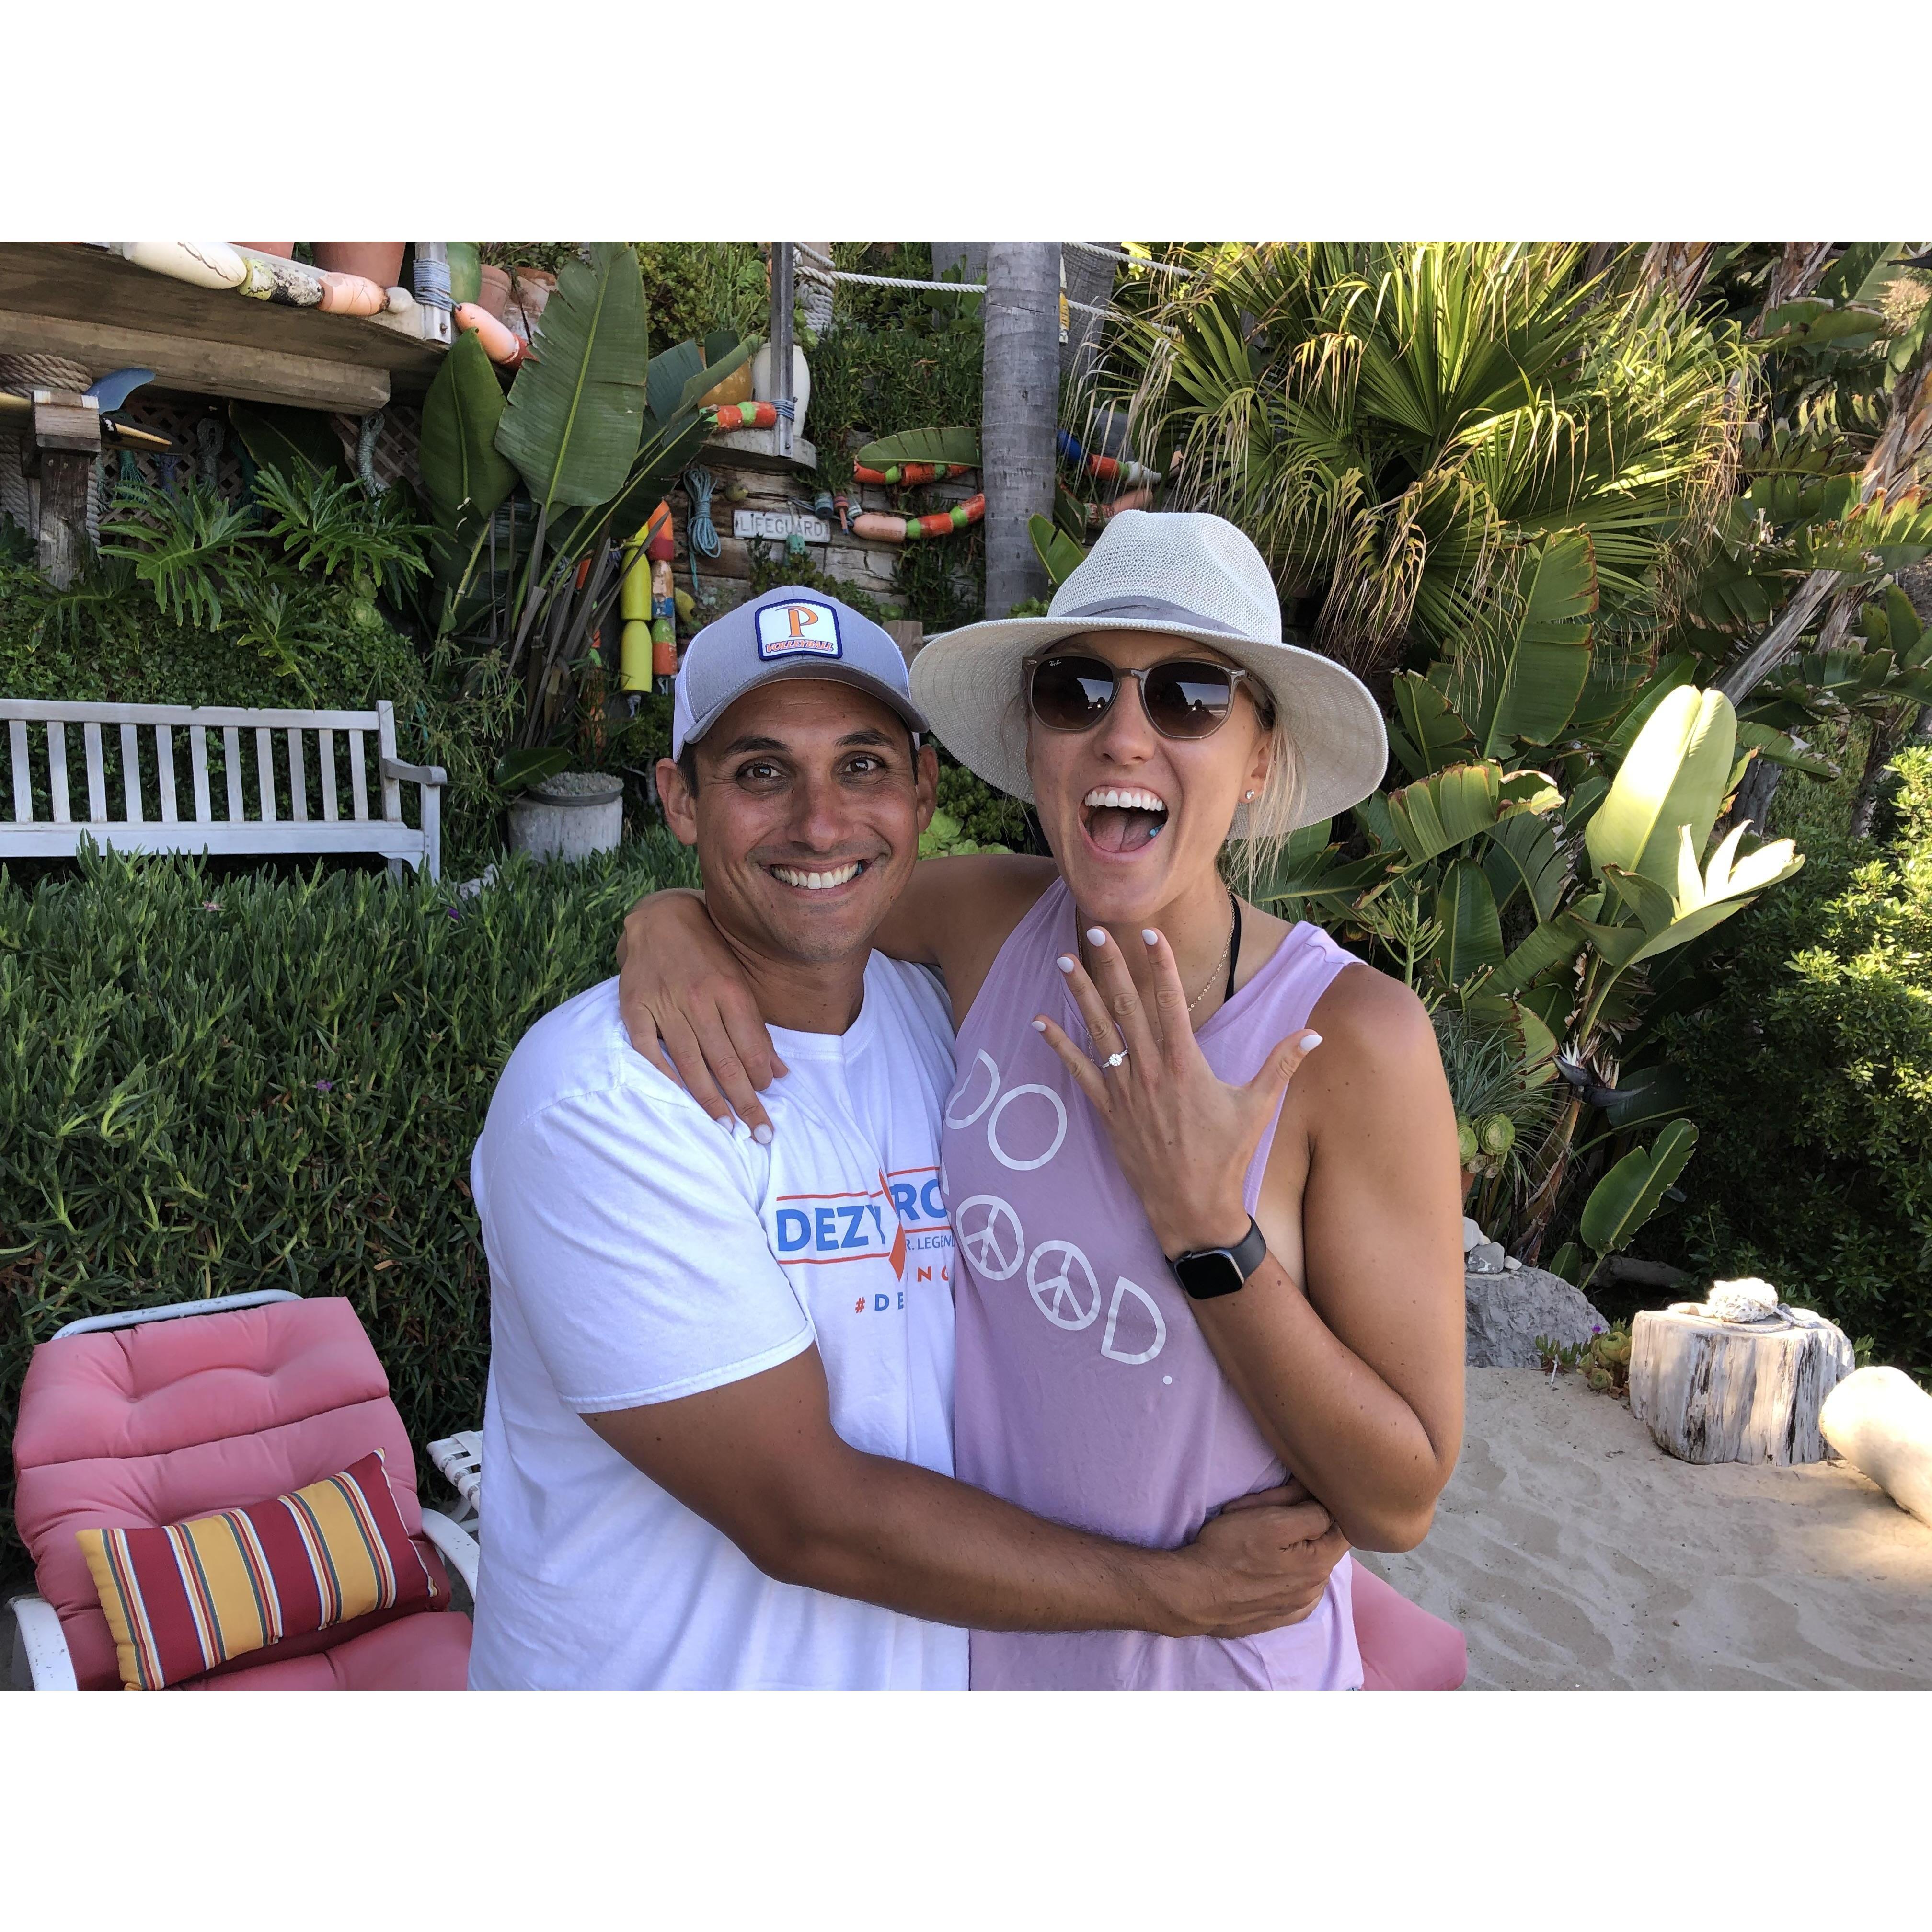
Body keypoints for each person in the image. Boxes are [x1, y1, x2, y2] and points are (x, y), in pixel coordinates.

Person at [617, 511, 1469, 1690]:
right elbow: (796, 895)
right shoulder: (989, 924)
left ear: (1261, 757)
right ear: (1034, 742)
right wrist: (661, 922)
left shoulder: (1351, 1039)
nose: (1124, 734)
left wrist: (1209, 1233)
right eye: (1078, 690)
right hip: (983, 1666)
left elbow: (1400, 1497)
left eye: (1190, 698)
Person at [466, 582, 1350, 1690]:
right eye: (758, 772)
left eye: (864, 766)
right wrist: (1178, 1594)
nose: (821, 821)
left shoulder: (947, 1029)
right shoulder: (601, 1103)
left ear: (925, 791)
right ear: (679, 800)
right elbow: (805, 1516)